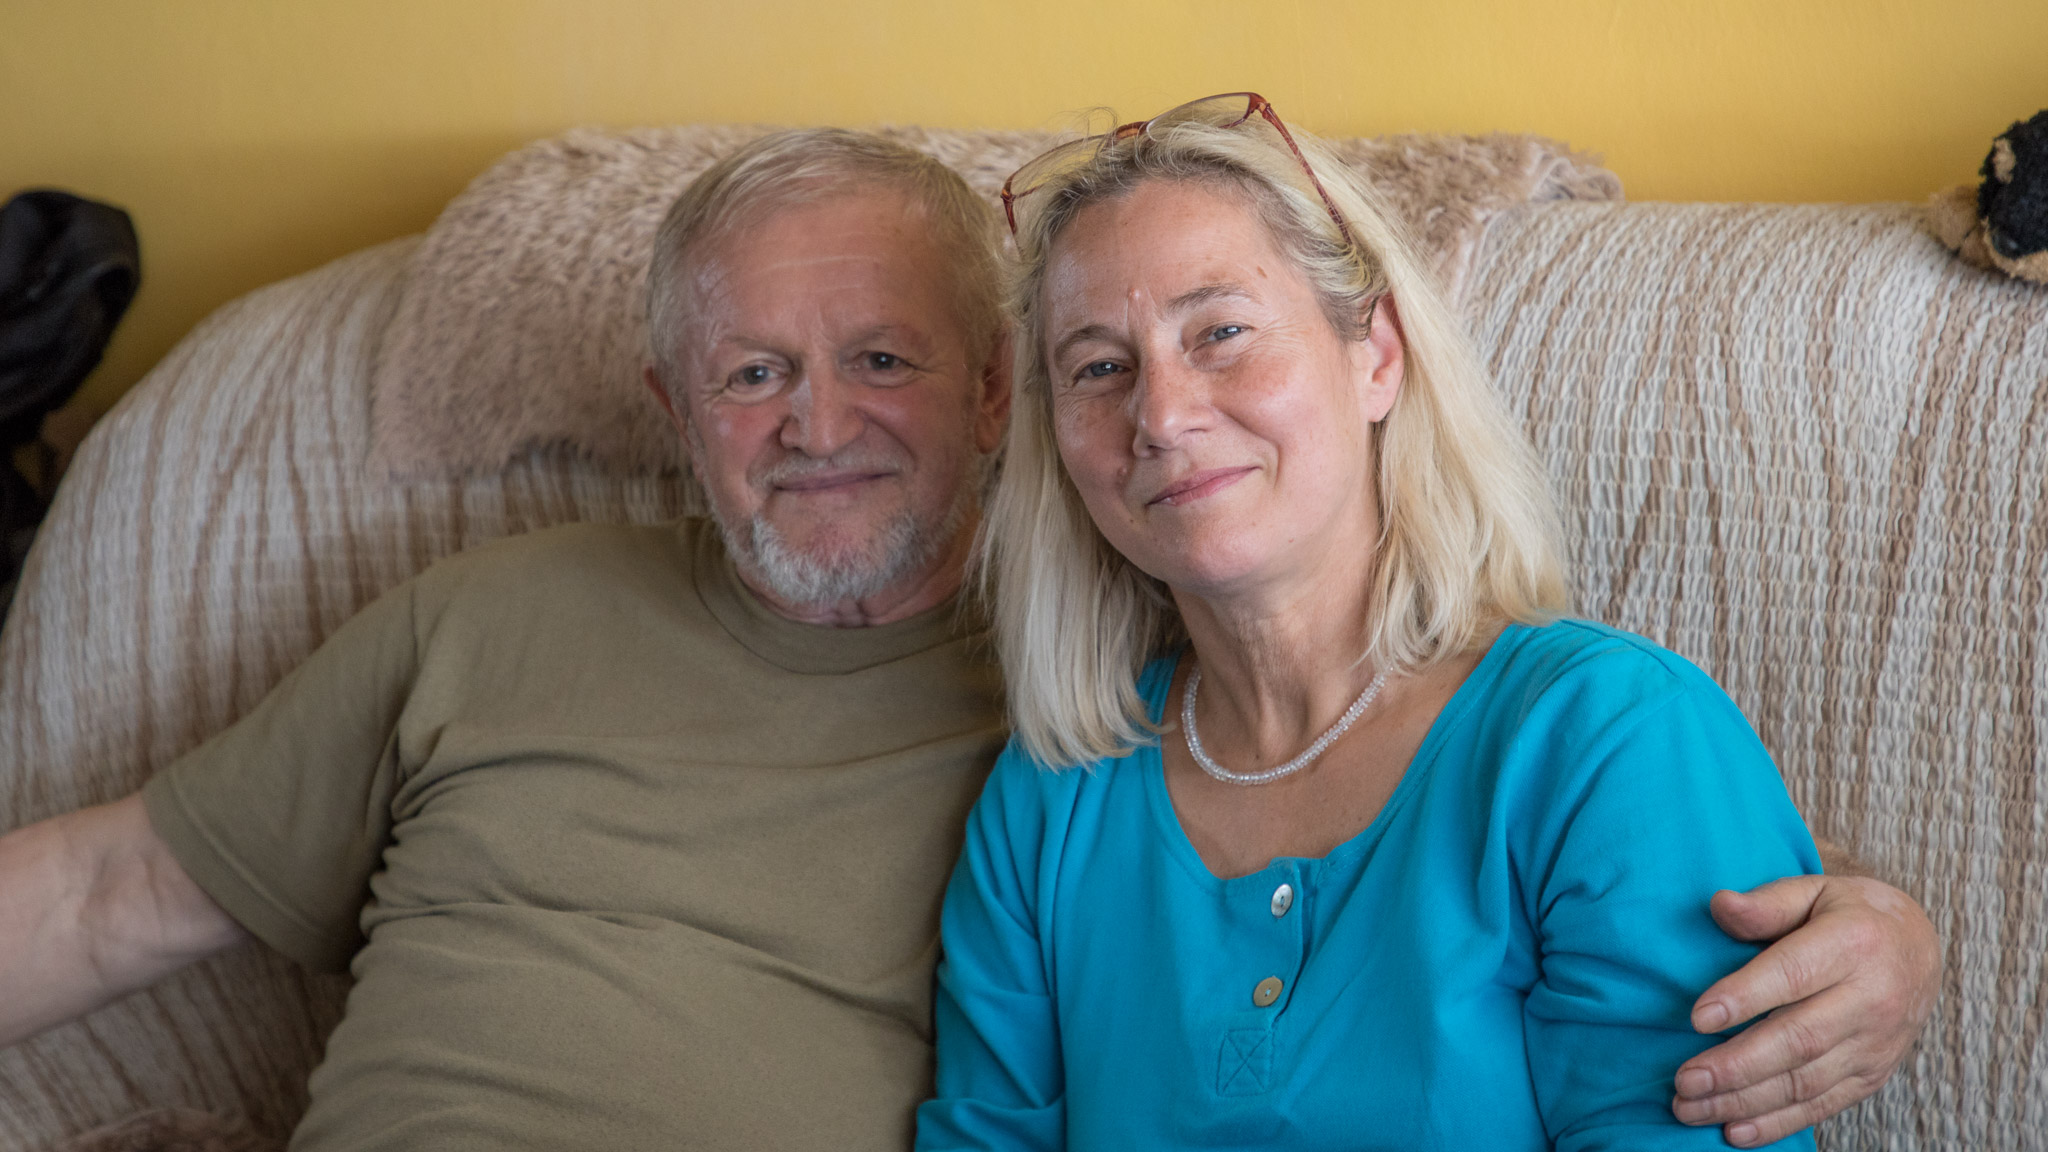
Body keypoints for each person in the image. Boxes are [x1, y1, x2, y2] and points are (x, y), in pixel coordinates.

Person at [0, 128, 1931, 1151]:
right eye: (750, 371)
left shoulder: (1080, 696)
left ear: (990, 398)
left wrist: (1865, 922)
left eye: (881, 357)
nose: (815, 423)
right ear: (671, 405)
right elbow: (101, 893)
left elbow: (1579, 849)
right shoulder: (500, 621)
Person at [916, 95, 1927, 1151]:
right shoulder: (1047, 800)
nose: (1160, 415)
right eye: (1097, 368)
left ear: (1377, 357)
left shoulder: (1605, 738)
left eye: (1220, 332)